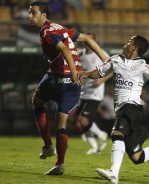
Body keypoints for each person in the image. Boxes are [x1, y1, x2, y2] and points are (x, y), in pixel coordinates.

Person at [78, 35, 149, 184]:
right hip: (122, 109)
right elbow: (98, 73)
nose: (125, 43)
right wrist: (85, 74)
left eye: (129, 42)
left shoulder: (143, 66)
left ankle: (113, 172)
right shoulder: (115, 60)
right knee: (137, 157)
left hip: (133, 107)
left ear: (135, 48)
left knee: (117, 132)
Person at [28, 0, 108, 176]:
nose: (29, 16)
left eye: (33, 13)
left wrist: (71, 70)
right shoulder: (59, 27)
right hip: (73, 83)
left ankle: (48, 146)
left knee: (37, 102)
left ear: (44, 15)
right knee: (61, 124)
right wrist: (106, 60)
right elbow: (87, 38)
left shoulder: (46, 31)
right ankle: (60, 164)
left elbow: (63, 49)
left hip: (58, 78)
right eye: (29, 12)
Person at [72, 33, 112, 155]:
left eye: (90, 40)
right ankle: (94, 147)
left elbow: (113, 69)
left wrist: (102, 80)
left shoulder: (101, 53)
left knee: (84, 119)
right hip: (83, 91)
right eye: (86, 40)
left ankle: (101, 134)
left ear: (94, 42)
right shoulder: (80, 55)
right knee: (76, 120)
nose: (87, 42)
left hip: (95, 93)